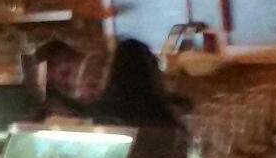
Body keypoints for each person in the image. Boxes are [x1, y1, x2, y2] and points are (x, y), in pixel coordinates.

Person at [46, 38, 183, 128]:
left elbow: (83, 110)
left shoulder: (114, 105)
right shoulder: (161, 106)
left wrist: (50, 89)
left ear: (118, 68)